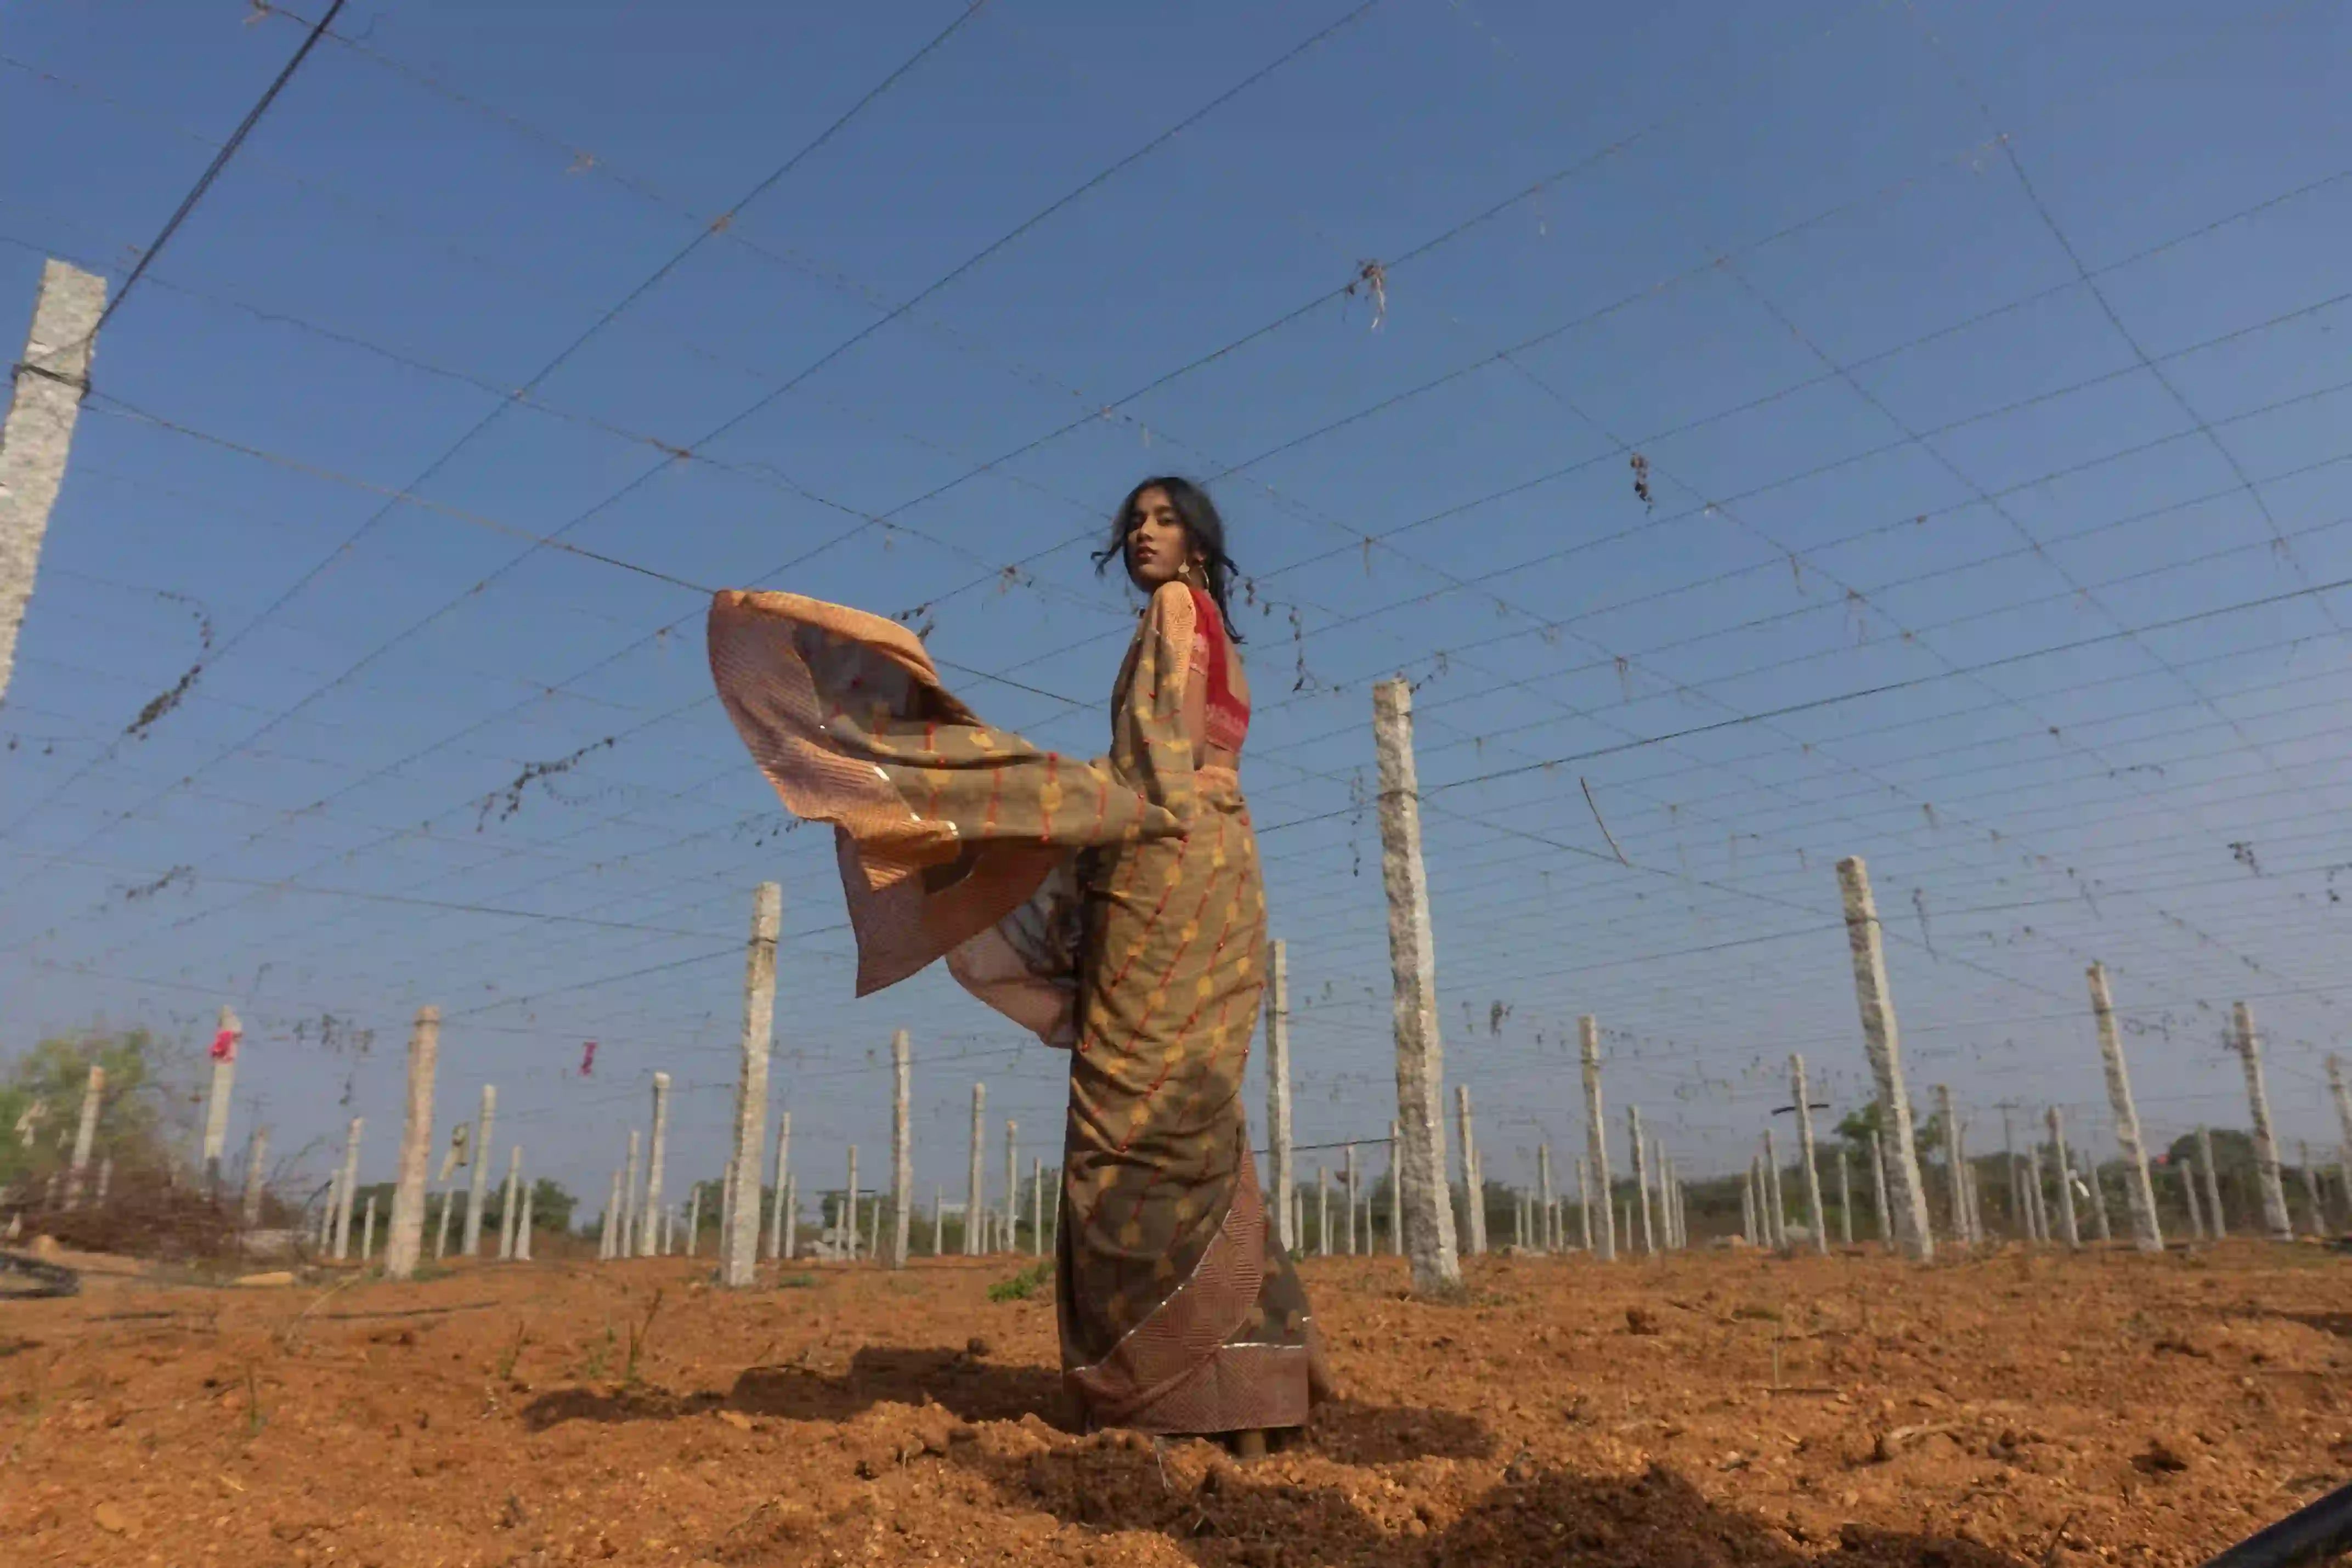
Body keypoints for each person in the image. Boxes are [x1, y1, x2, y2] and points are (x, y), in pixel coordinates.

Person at [706, 477, 1330, 1452]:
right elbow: (1190, 772)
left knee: (1126, 1124)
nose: (1142, 535)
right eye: (1133, 522)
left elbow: (1156, 782)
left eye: (1165, 520)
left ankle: (1162, 1395)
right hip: (1225, 870)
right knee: (1188, 1108)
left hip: (1164, 872)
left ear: (1200, 538)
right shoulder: (1221, 634)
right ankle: (1248, 1384)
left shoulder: (1172, 611)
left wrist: (1005, 791)